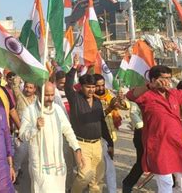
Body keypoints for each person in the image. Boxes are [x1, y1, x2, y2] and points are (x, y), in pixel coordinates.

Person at [126, 62, 182, 192]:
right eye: (164, 78)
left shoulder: (174, 94)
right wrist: (149, 86)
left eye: (169, 78)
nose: (167, 81)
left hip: (177, 145)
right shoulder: (146, 96)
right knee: (166, 182)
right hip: (158, 147)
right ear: (154, 79)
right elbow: (131, 95)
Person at [19, 82, 83, 192]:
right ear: (38, 93)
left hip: (58, 165)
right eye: (47, 95)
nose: (50, 98)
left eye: (52, 95)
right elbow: (23, 135)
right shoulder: (30, 111)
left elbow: (68, 130)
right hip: (40, 166)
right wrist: (35, 127)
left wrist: (76, 148)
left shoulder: (58, 110)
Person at [67, 55, 114, 193]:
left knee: (97, 181)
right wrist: (74, 67)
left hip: (98, 145)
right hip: (82, 144)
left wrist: (110, 143)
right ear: (81, 87)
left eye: (93, 87)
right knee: (84, 175)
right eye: (88, 87)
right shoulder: (75, 99)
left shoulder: (98, 102)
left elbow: (102, 123)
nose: (92, 90)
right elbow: (68, 85)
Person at [122, 88, 143, 193]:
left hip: (157, 134)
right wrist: (142, 127)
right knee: (142, 163)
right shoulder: (139, 93)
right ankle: (127, 184)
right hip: (142, 134)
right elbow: (133, 113)